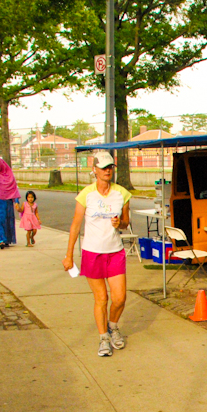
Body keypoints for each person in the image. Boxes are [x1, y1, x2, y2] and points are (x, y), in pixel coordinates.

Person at [63, 150, 131, 357]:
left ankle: (113, 326)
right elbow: (75, 226)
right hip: (92, 253)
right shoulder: (86, 195)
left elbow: (126, 223)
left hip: (115, 252)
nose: (107, 171)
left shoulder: (122, 194)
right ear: (94, 170)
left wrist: (120, 223)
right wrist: (68, 255)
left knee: (119, 298)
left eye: (110, 167)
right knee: (101, 298)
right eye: (103, 168)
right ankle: (103, 339)